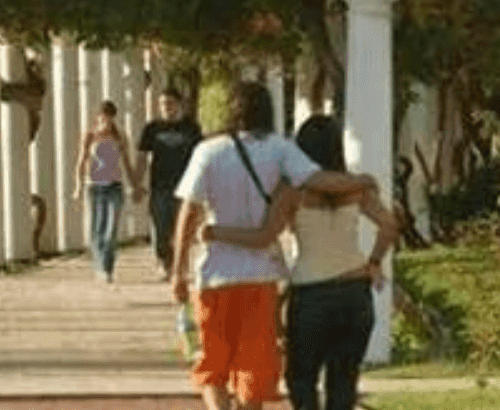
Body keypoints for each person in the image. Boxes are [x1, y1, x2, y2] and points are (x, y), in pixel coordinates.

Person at [170, 81, 376, 410]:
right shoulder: (281, 149)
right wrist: (363, 181)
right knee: (254, 365)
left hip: (214, 275)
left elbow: (188, 213)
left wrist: (178, 270)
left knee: (213, 363)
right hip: (261, 277)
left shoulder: (207, 151)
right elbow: (319, 180)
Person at [200, 114, 399, 410]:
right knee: (343, 382)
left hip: (311, 295)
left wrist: (216, 232)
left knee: (301, 380)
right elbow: (390, 225)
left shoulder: (292, 191)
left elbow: (263, 237)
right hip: (355, 292)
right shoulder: (356, 187)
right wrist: (374, 262)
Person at [134, 86, 204, 281]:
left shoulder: (191, 128)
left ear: (180, 105)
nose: (166, 107)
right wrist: (136, 184)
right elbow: (142, 158)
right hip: (160, 186)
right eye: (163, 104)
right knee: (160, 228)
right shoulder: (152, 128)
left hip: (186, 188)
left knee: (182, 228)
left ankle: (178, 266)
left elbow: (200, 158)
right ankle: (164, 261)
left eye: (170, 103)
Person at [74, 99, 143, 283]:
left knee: (111, 229)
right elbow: (81, 162)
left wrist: (134, 185)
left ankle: (107, 267)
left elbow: (127, 163)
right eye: (103, 116)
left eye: (110, 117)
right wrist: (78, 186)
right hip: (95, 186)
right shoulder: (90, 135)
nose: (106, 120)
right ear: (98, 116)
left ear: (113, 117)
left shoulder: (120, 136)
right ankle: (99, 266)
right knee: (98, 227)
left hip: (114, 186)